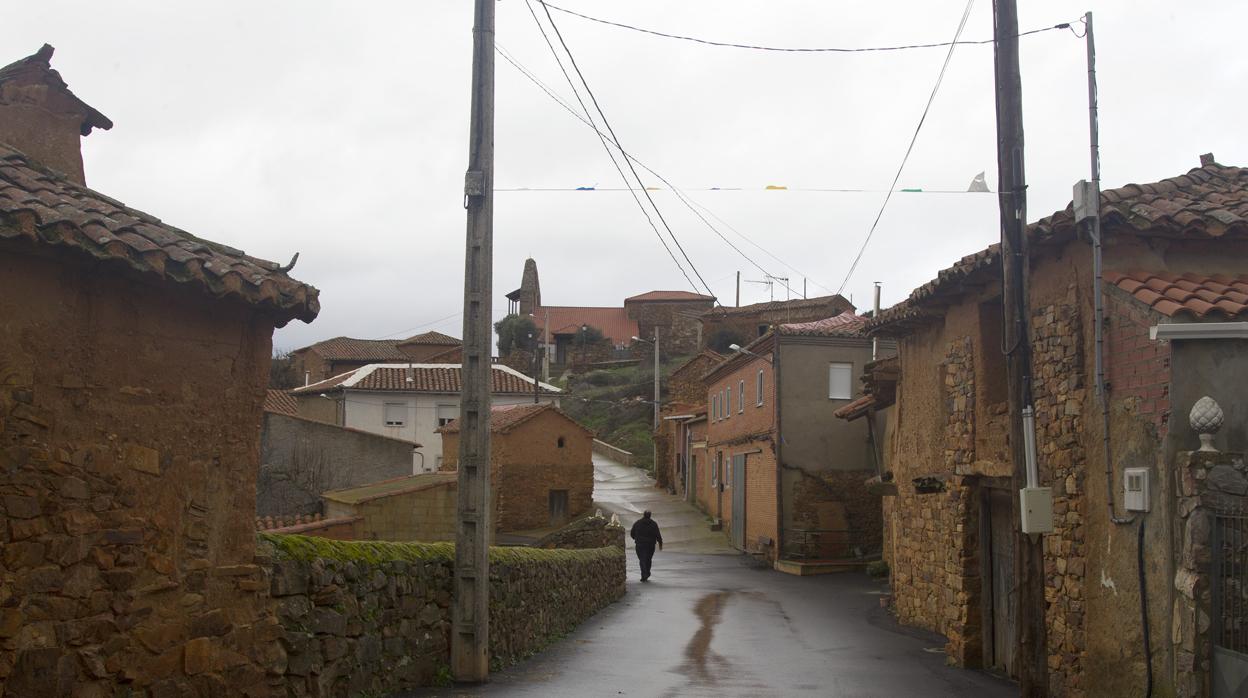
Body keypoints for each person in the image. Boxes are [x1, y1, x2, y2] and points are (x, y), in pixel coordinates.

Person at [629, 510, 663, 582]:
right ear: (650, 515)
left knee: (642, 559)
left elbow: (632, 533)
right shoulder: (654, 524)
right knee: (648, 559)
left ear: (643, 515)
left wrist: (636, 538)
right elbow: (658, 534)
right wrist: (660, 543)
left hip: (640, 545)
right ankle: (647, 572)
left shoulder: (637, 523)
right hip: (650, 545)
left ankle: (644, 574)